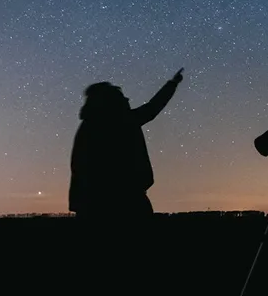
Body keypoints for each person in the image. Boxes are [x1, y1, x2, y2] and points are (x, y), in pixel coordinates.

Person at [69, 68, 184, 226]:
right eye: (122, 97)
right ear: (111, 102)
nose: (127, 99)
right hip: (124, 199)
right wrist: (172, 84)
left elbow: (78, 166)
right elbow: (152, 109)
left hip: (94, 202)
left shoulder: (90, 125)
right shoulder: (120, 121)